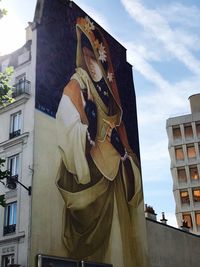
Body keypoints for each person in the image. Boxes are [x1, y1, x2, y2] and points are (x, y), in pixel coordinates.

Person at [56, 16, 148, 267]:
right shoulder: (78, 84)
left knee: (118, 243)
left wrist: (124, 155)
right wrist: (89, 138)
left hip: (113, 175)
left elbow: (124, 138)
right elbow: (67, 124)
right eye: (87, 58)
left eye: (96, 59)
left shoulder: (107, 91)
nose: (92, 65)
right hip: (93, 176)